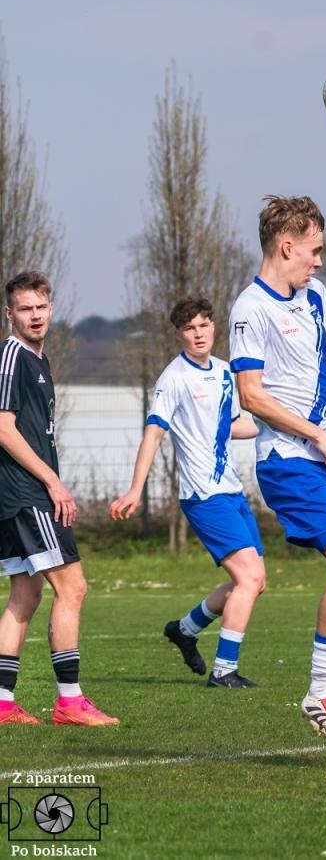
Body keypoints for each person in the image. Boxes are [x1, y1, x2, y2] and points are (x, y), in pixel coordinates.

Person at [229, 195, 326, 758]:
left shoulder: (314, 296)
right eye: (313, 251)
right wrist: (316, 434)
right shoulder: (250, 309)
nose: (319, 262)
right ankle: (321, 694)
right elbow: (251, 395)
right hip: (288, 461)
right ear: (286, 245)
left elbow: (321, 368)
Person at [109, 296, 266, 688]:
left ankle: (184, 630)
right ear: (179, 333)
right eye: (189, 328)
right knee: (248, 579)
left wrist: (281, 422)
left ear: (213, 326)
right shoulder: (174, 378)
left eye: (203, 325)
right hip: (203, 495)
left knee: (254, 582)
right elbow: (153, 434)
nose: (198, 333)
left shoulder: (226, 372)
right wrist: (135, 490)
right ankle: (224, 671)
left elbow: (232, 427)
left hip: (231, 489)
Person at [0, 271, 119, 726]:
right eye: (24, 308)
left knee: (25, 594)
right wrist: (53, 482)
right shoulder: (12, 356)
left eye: (40, 307)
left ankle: (3, 704)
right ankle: (70, 702)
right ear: (9, 314)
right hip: (26, 493)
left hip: (23, 492)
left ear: (50, 309)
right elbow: (3, 427)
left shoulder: (39, 359)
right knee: (73, 587)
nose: (34, 315)